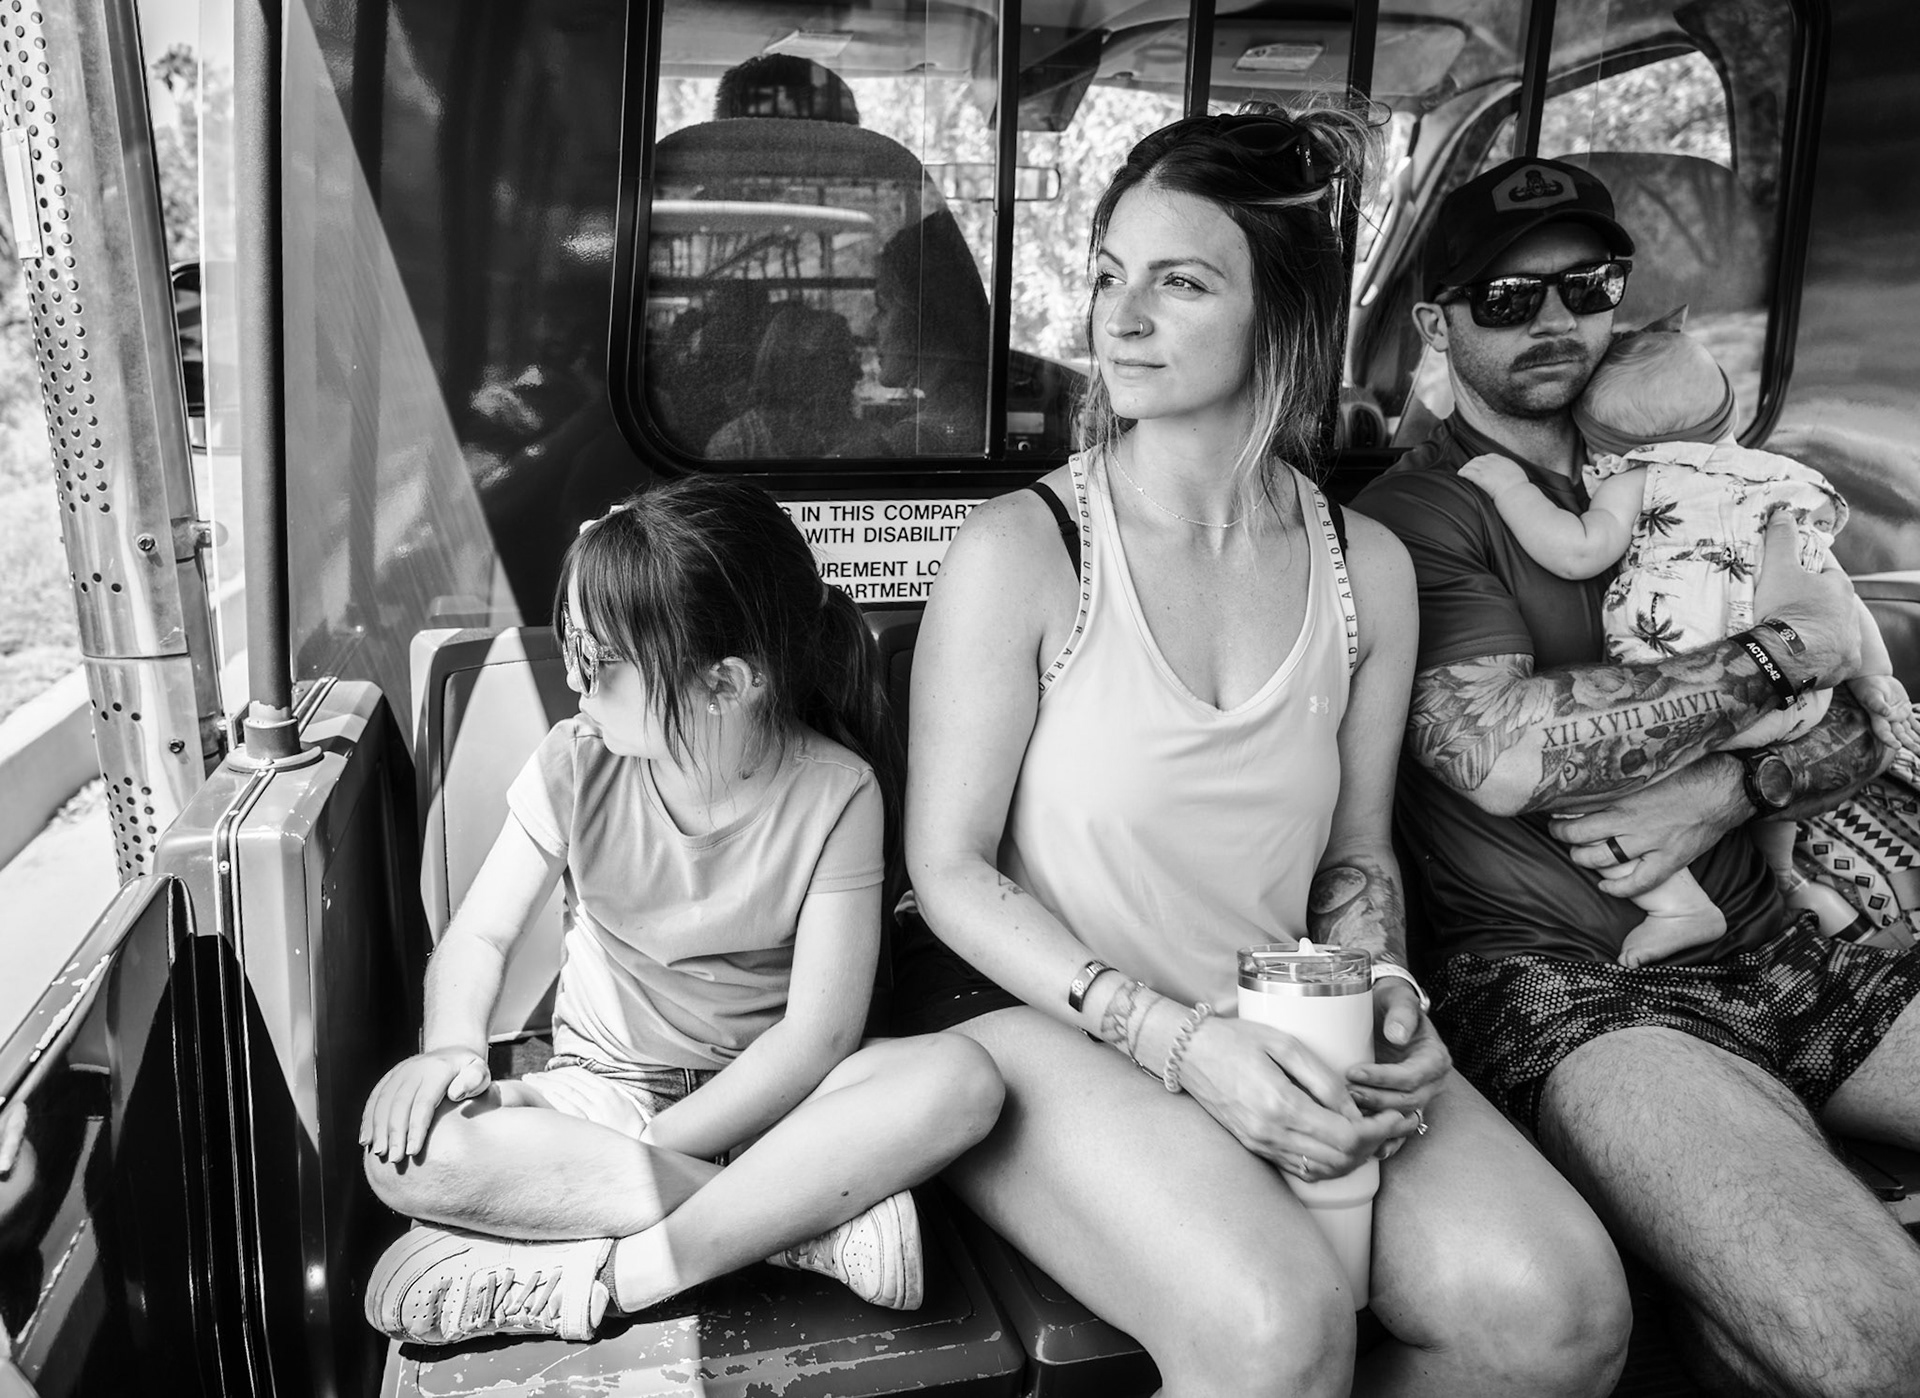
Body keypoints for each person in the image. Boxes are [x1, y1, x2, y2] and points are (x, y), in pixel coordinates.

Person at [903, 107, 1631, 1398]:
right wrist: (1180, 1045)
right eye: (1109, 276)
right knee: (1278, 1335)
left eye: (1180, 283)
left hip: (1284, 1011)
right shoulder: (1024, 552)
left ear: (1281, 319)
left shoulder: (1367, 567)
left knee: (1559, 1316)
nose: (1121, 318)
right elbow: (950, 872)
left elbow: (1354, 856)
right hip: (1051, 1025)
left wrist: (1386, 993)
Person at [1354, 155, 1920, 1396]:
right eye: (1509, 298)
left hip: (1785, 945)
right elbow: (1504, 753)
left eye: (1589, 285)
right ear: (1438, 325)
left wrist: (1730, 792)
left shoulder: (1703, 480)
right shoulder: (1427, 512)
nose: (1557, 319)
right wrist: (1776, 654)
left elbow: (1862, 728)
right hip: (1576, 991)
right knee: (1880, 1342)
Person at [359, 478, 1003, 1346]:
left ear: (722, 684)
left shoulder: (837, 791)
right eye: (573, 646)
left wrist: (663, 1143)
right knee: (408, 1155)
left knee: (961, 1080)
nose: (573, 677)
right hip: (604, 1095)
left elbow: (816, 1038)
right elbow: (480, 932)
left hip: (773, 1105)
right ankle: (797, 1231)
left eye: (600, 660)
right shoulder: (575, 763)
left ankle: (606, 1271)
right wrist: (449, 1050)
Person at [1457, 323, 1920, 966]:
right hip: (1801, 697)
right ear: (1728, 409)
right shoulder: (1785, 484)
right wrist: (1873, 677)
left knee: (1591, 777)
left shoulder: (1643, 477)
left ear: (1607, 442)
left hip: (1699, 692)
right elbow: (1835, 597)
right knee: (1776, 777)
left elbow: (1576, 551)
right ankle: (1783, 874)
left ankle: (1679, 905)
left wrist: (1511, 490)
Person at [872, 212, 990, 455]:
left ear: (922, 315)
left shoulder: (915, 441)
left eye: (883, 308)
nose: (871, 325)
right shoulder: (975, 414)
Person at [706, 304, 888, 459]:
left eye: (854, 358)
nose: (858, 374)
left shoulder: (874, 441)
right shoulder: (733, 448)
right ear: (797, 369)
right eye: (841, 360)